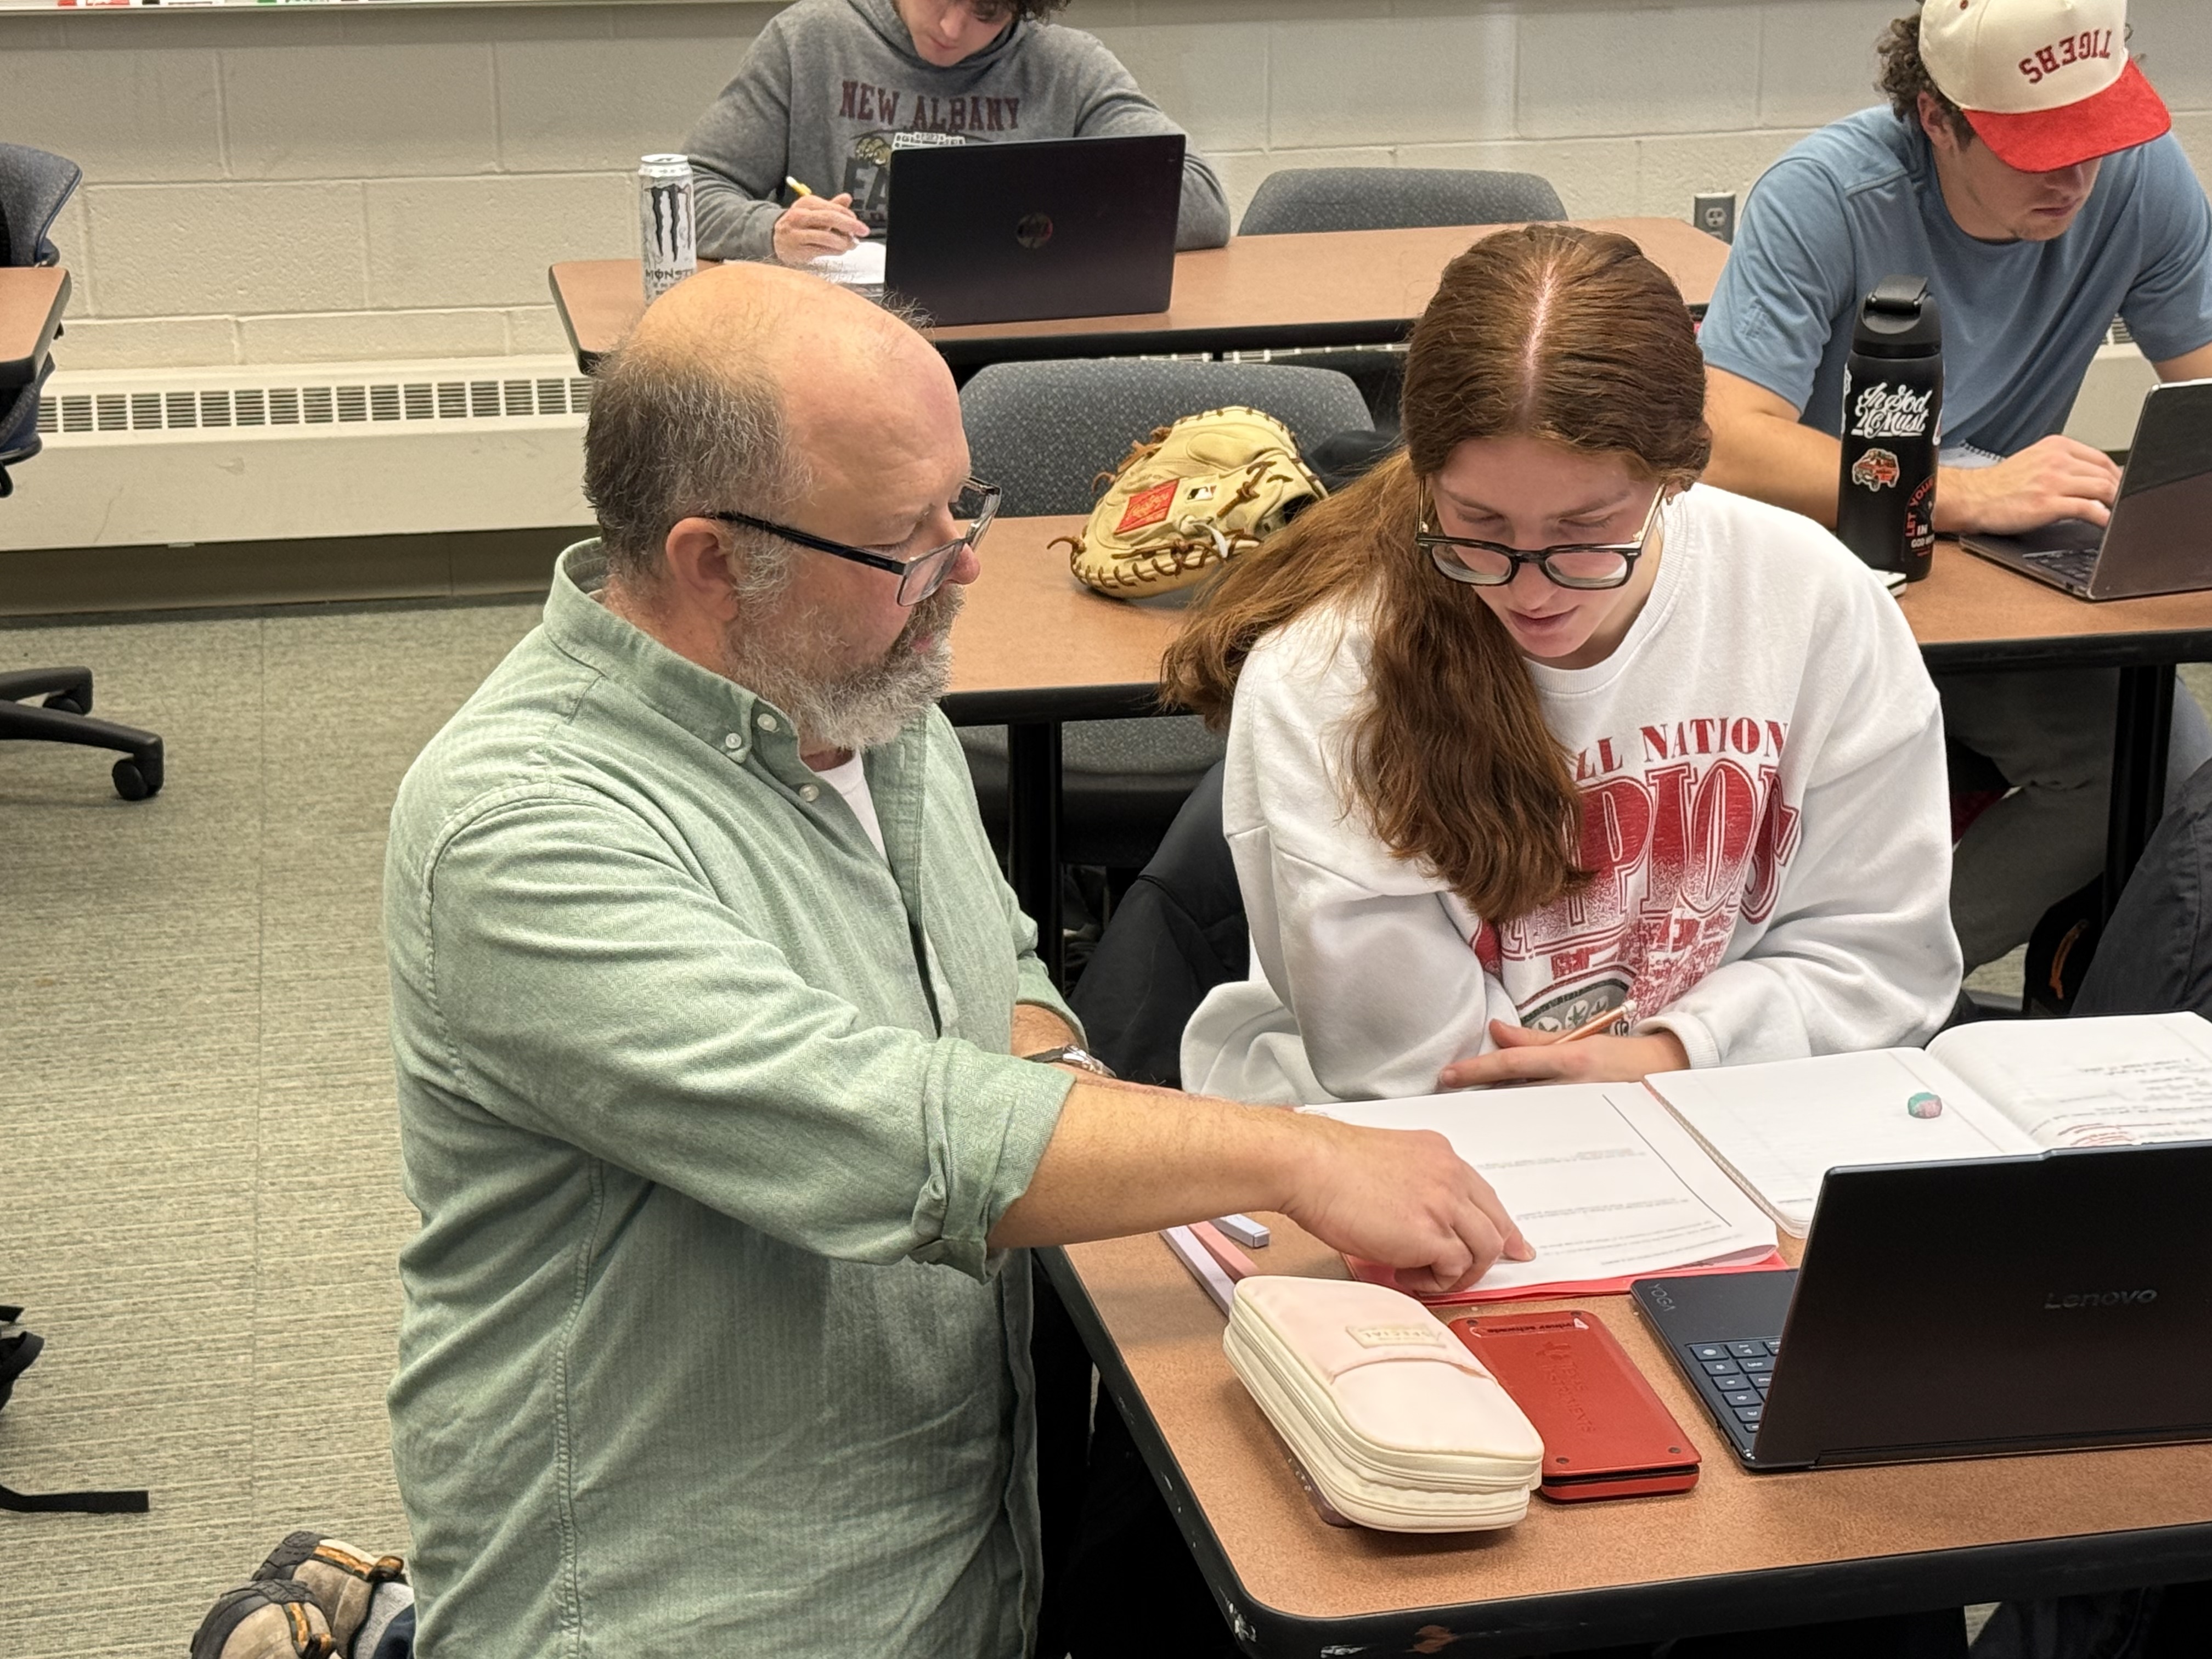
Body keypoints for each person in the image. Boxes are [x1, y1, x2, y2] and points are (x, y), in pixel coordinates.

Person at [379, 260, 1528, 1658]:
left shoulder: (859, 685)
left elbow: (998, 986)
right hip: (690, 1605)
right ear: (708, 562)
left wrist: (1065, 1072)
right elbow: (895, 1132)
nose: (964, 570)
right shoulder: (522, 828)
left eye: (958, 509)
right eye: (905, 539)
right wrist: (1299, 1154)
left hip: (959, 1546)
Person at [1165, 224, 1962, 1107]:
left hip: (1718, 1107)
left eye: (1585, 536)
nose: (1531, 589)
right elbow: (1400, 1065)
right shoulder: (1324, 669)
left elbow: (1885, 959)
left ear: (1679, 475)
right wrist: (1618, 1089)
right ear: (1425, 475)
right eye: (1479, 527)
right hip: (1397, 1137)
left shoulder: (1813, 601)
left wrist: (1674, 1054)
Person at [1697, 0, 2212, 971]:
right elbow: (1725, 443)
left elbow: (2207, 383)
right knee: (2131, 774)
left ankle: (2022, 1005)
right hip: (1826, 564)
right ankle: (1823, 997)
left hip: (1999, 572)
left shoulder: (2139, 180)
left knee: (2171, 776)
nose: (2075, 177)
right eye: (2038, 149)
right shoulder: (1825, 196)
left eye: (2094, 139)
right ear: (1938, 118)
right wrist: (1968, 493)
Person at [684, 0, 1231, 266]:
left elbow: (1201, 201)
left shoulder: (1064, 64)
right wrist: (773, 230)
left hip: (1009, 349)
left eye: (987, 12)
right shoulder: (808, 43)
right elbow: (689, 193)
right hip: (836, 346)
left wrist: (1046, 211)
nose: (951, 28)